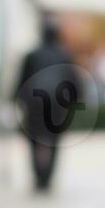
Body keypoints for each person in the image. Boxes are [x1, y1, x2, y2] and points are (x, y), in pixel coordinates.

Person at [14, 20, 82, 192]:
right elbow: (73, 81)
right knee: (54, 140)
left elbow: (21, 80)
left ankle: (38, 176)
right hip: (57, 104)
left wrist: (17, 100)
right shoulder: (64, 55)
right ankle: (47, 177)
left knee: (33, 140)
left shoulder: (32, 55)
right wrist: (75, 102)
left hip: (34, 102)